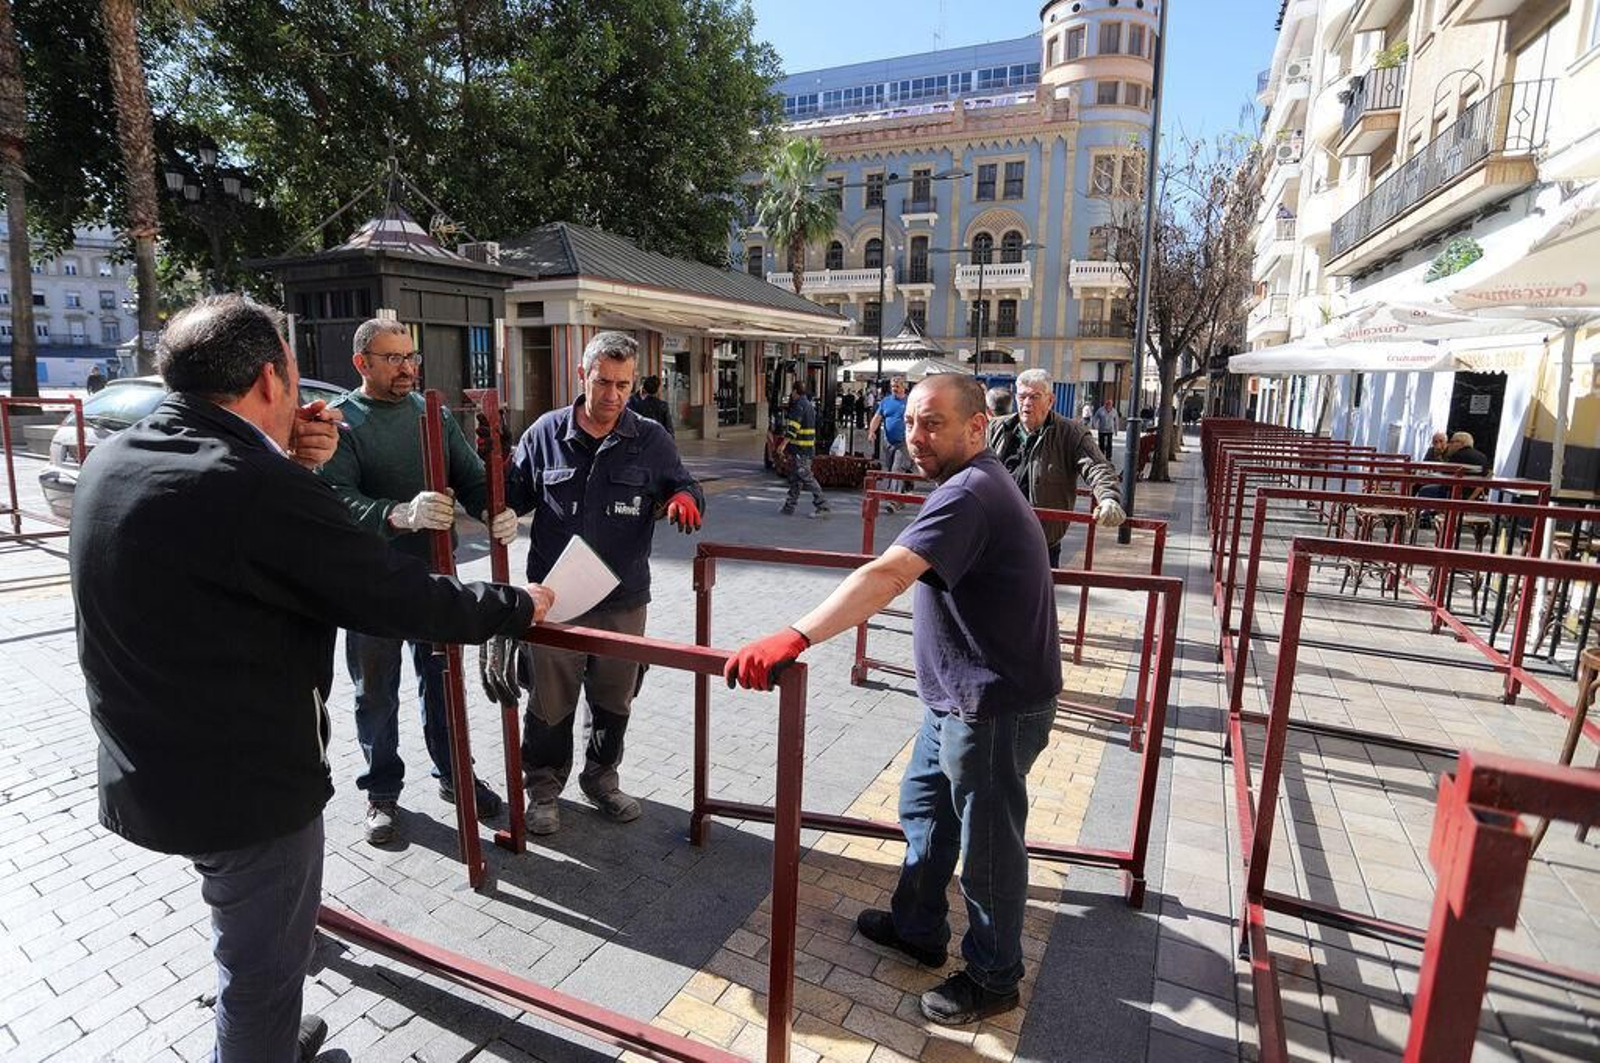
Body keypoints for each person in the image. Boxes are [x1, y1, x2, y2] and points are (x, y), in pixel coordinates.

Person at [71, 294, 554, 1063]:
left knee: (248, 936)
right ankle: (261, 1042)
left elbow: (222, 559)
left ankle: (269, 1031)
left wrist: (289, 463)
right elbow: (388, 593)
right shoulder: (255, 486)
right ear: (271, 378)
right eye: (296, 381)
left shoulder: (115, 457)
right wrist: (514, 604)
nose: (304, 400)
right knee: (258, 969)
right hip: (247, 787)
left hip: (149, 763)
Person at [725, 373, 1057, 1027]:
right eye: (910, 421)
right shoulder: (969, 485)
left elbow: (888, 574)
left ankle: (994, 976)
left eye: (933, 422)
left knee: (988, 845)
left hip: (991, 706)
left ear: (974, 427)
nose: (917, 435)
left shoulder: (971, 491)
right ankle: (918, 926)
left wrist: (795, 634)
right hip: (957, 699)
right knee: (925, 808)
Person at [316, 318, 520, 845]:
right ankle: (381, 790)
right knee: (375, 692)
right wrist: (398, 513)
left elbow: (470, 476)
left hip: (434, 574)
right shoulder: (345, 421)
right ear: (362, 363)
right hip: (371, 583)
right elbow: (336, 498)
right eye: (393, 358)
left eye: (411, 357)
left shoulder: (433, 415)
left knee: (443, 680)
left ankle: (455, 774)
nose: (407, 367)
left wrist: (494, 511)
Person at [506, 331, 706, 834]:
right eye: (603, 382)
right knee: (549, 703)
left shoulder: (650, 439)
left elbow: (684, 483)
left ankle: (601, 780)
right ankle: (544, 791)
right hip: (555, 602)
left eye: (623, 384)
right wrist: (499, 511)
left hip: (623, 599)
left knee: (615, 700)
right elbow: (507, 493)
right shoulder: (544, 434)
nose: (613, 396)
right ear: (582, 376)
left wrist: (686, 499)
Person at [988, 369, 1125, 567]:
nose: (1027, 403)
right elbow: (969, 462)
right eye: (1022, 396)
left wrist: (1109, 498)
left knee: (1035, 597)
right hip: (994, 539)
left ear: (1050, 400)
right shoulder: (996, 428)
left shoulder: (1071, 432)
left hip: (1041, 544)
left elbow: (1097, 467)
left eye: (1035, 397)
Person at [781, 380, 831, 517]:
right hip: (806, 448)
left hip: (801, 449)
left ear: (795, 392)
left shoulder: (799, 406)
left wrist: (782, 445)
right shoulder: (809, 405)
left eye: (792, 391)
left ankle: (823, 505)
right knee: (795, 478)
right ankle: (789, 506)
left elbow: (792, 429)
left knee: (806, 477)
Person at [869, 376, 912, 511]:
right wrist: (871, 431)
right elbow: (877, 417)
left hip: (904, 441)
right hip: (888, 441)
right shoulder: (886, 401)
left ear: (903, 387)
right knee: (889, 469)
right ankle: (902, 495)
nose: (894, 389)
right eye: (893, 386)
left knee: (896, 470)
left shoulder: (910, 402)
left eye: (897, 386)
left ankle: (894, 501)